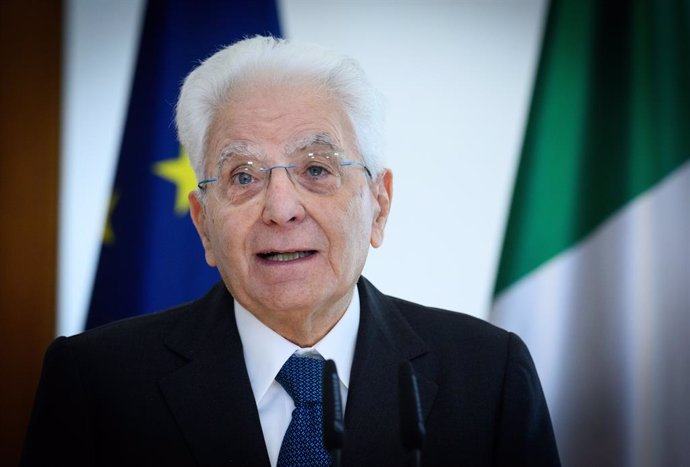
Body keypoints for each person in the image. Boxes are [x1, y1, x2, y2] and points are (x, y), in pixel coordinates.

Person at [22, 36, 560, 466]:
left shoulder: (489, 375)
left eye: (317, 169)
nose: (281, 208)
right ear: (205, 225)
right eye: (243, 176)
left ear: (379, 203)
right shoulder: (96, 383)